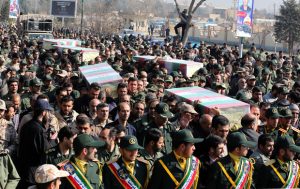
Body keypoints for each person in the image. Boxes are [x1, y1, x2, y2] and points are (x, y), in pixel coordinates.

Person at [18, 99, 53, 188]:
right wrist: (52, 140)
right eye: (48, 112)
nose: (49, 115)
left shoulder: (27, 125)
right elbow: (46, 151)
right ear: (44, 112)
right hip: (34, 174)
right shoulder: (39, 129)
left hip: (24, 171)